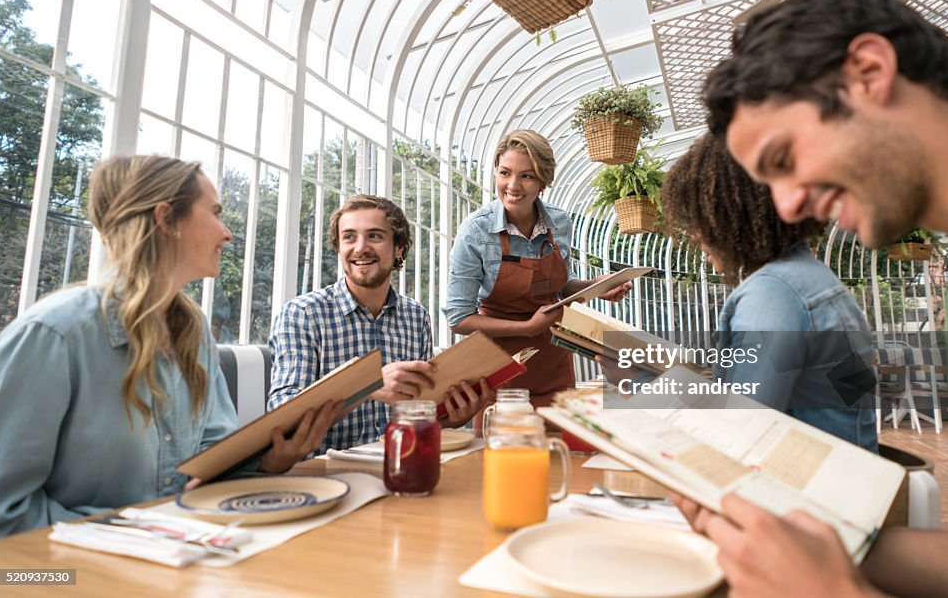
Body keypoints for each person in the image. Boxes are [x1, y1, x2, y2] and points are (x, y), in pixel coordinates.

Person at [672, 0, 948, 597]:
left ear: (869, 72)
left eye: (784, 156)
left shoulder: (776, 289)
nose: (788, 204)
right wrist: (809, 549)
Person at [0, 155, 335, 539]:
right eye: (216, 213)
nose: (228, 233)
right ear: (166, 218)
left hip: (178, 555)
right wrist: (138, 535)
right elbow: (0, 511)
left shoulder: (193, 331)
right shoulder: (54, 335)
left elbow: (212, 458)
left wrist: (272, 460)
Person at [662, 133, 878, 451]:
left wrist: (642, 380)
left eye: (699, 219)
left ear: (729, 216)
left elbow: (740, 426)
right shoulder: (817, 283)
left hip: (804, 493)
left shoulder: (772, 295)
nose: (695, 235)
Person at [268, 194, 489, 452]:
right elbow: (281, 418)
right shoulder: (302, 315)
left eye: (374, 236)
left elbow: (419, 413)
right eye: (349, 237)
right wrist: (364, 385)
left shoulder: (416, 317)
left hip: (403, 464)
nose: (360, 247)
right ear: (339, 247)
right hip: (324, 472)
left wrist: (451, 418)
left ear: (398, 248)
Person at [444, 130, 631, 407]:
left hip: (553, 362)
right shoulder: (476, 230)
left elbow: (564, 286)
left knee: (562, 447)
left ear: (543, 181)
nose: (513, 185)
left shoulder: (560, 222)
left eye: (527, 176)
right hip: (497, 372)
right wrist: (526, 327)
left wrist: (597, 286)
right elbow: (458, 318)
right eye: (505, 173)